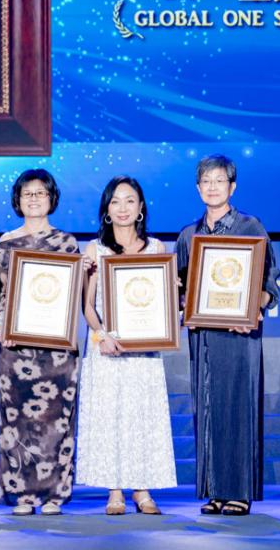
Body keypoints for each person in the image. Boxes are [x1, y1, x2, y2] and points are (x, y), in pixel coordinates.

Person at [175, 155, 280, 517]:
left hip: (239, 336)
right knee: (207, 409)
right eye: (206, 181)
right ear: (198, 188)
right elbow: (181, 288)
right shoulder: (188, 235)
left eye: (220, 181)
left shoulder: (251, 227)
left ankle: (239, 492)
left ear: (232, 187)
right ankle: (215, 491)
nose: (213, 187)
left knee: (238, 407)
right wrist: (180, 303)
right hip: (203, 337)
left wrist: (253, 308)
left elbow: (269, 281)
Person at [75, 176, 177, 515]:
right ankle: (115, 490)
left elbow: (163, 302)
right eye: (115, 201)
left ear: (141, 207)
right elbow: (87, 306)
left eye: (130, 200)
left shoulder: (157, 249)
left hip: (144, 351)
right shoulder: (95, 250)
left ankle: (142, 489)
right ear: (106, 209)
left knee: (143, 417)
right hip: (107, 348)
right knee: (110, 417)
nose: (123, 208)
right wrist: (102, 336)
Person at [0, 169, 79, 517]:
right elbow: (0, 293)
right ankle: (23, 495)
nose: (34, 199)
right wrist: (0, 323)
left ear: (52, 198)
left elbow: (70, 295)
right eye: (27, 193)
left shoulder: (67, 243)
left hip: (56, 348)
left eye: (41, 192)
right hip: (16, 347)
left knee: (57, 421)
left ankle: (55, 494)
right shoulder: (4, 243)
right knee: (17, 423)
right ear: (17, 199)